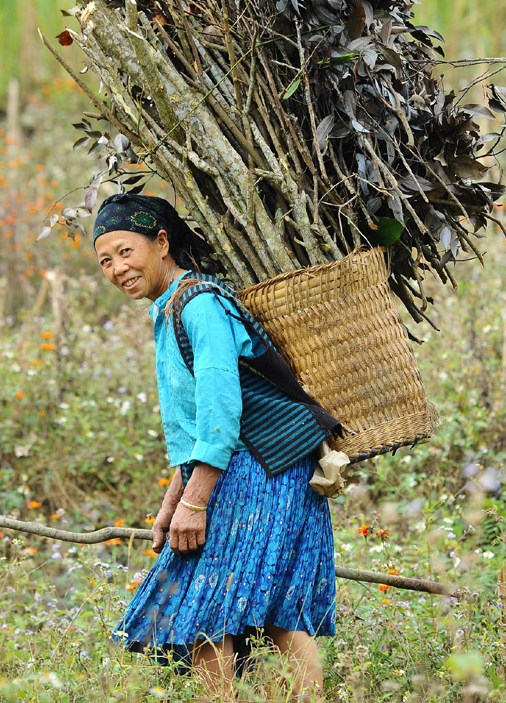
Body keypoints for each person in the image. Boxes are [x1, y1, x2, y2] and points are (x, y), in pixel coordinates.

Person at [93, 192, 341, 702]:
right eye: (105, 261)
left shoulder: (200, 304)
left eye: (125, 251)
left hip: (261, 469)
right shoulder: (171, 309)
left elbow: (222, 413)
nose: (117, 268)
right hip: (255, 467)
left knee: (213, 608)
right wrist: (172, 501)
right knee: (269, 610)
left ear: (161, 243)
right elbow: (195, 426)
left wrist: (195, 500)